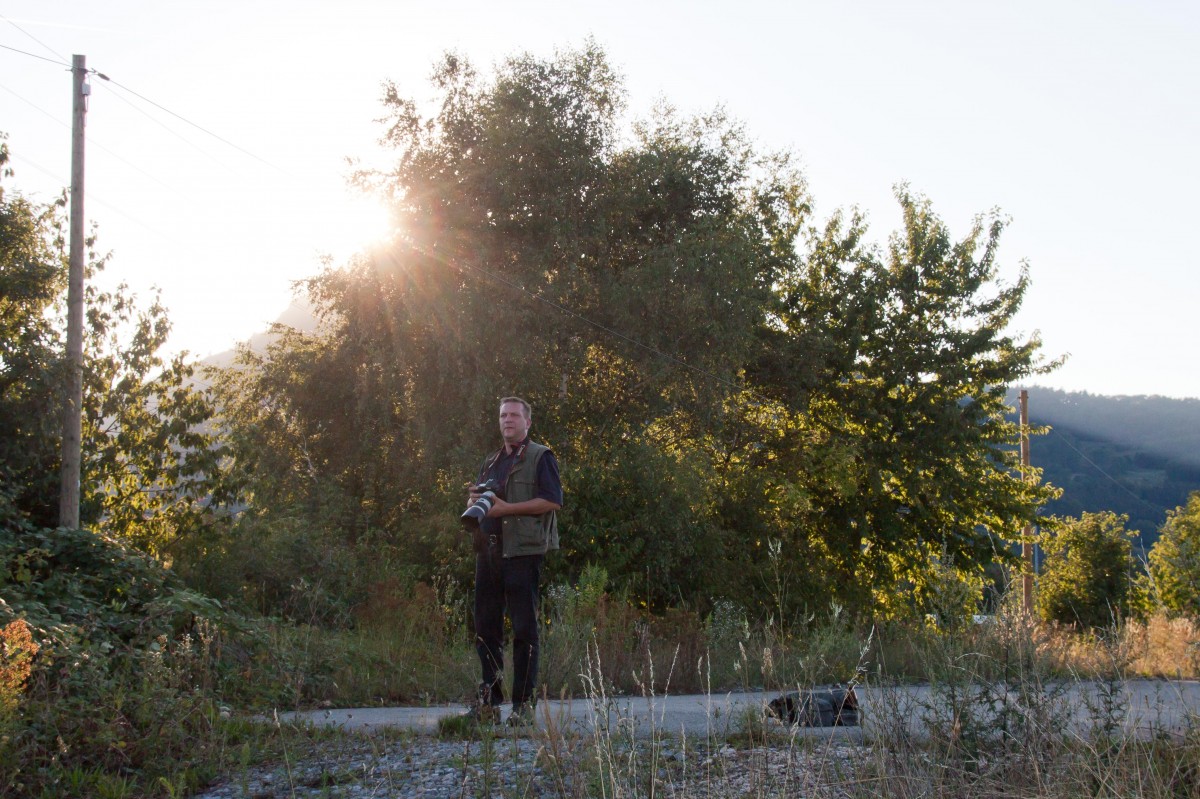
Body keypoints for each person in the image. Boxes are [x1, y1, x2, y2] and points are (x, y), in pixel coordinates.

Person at [465, 396, 562, 726]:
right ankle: (488, 703)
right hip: (488, 551)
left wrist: (506, 509)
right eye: (503, 415)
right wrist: (474, 500)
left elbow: (551, 500)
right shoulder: (491, 461)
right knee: (486, 629)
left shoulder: (540, 456)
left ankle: (523, 707)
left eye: (514, 415)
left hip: (522, 553)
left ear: (527, 422)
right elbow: (481, 499)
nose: (507, 420)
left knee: (524, 630)